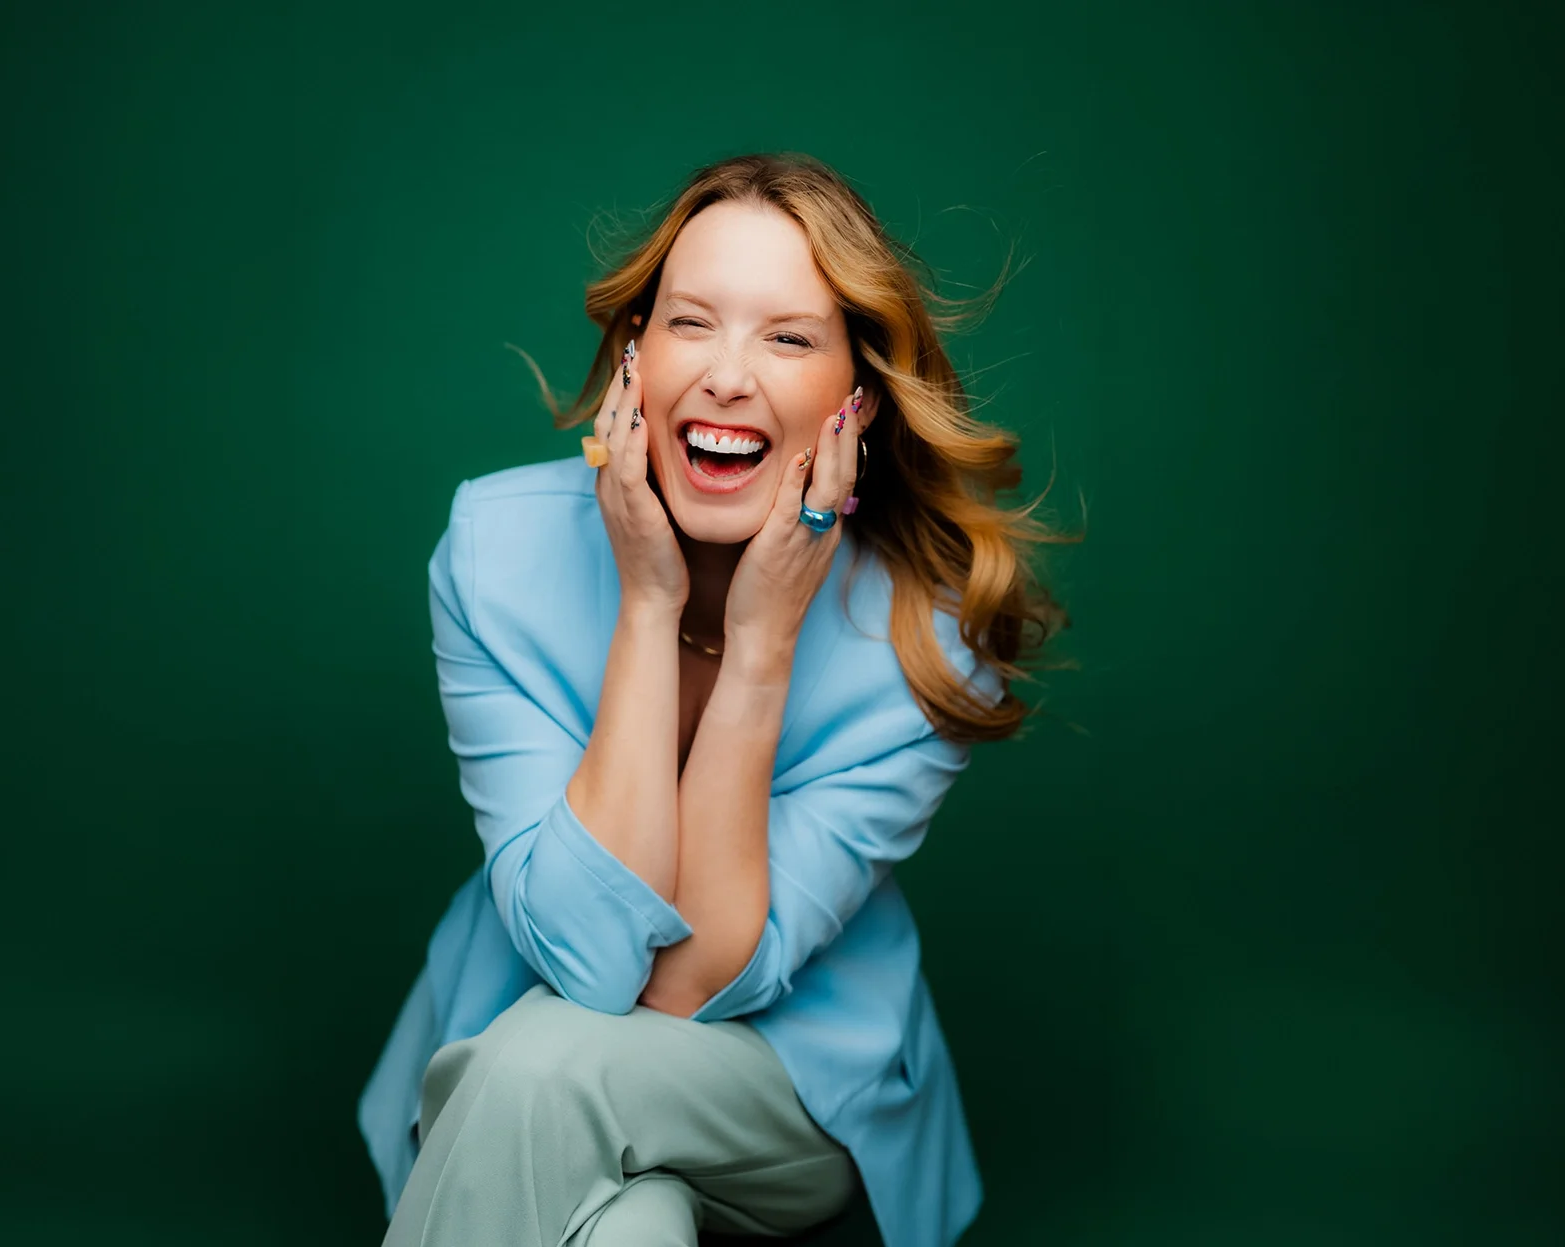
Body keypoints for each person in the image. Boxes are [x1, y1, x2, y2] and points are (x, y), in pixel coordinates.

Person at [358, 152, 1069, 1247]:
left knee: (542, 1066)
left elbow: (686, 985)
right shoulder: (496, 552)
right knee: (626, 1224)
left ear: (857, 400)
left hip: (786, 1084)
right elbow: (588, 958)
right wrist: (648, 601)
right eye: (692, 323)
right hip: (509, 1048)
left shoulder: (929, 638)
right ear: (636, 358)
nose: (727, 377)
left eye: (787, 338)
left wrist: (762, 646)